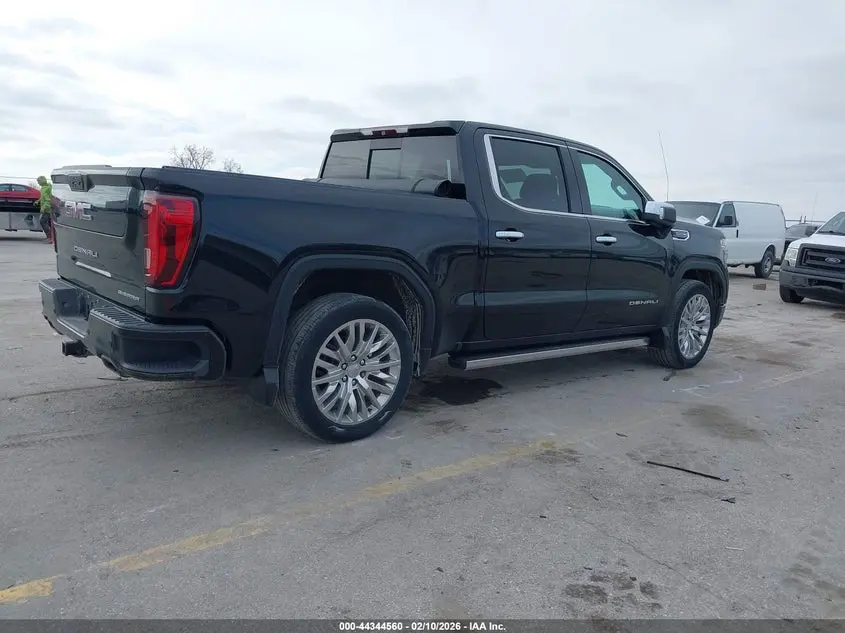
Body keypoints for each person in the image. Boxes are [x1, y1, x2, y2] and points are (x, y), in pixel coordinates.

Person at [35, 175, 53, 244]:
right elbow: (43, 197)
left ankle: (50, 237)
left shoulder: (48, 188)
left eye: (38, 181)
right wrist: (38, 201)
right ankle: (50, 237)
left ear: (42, 180)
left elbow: (48, 200)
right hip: (45, 208)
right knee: (48, 223)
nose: (38, 183)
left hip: (47, 209)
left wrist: (44, 208)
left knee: (43, 221)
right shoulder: (43, 188)